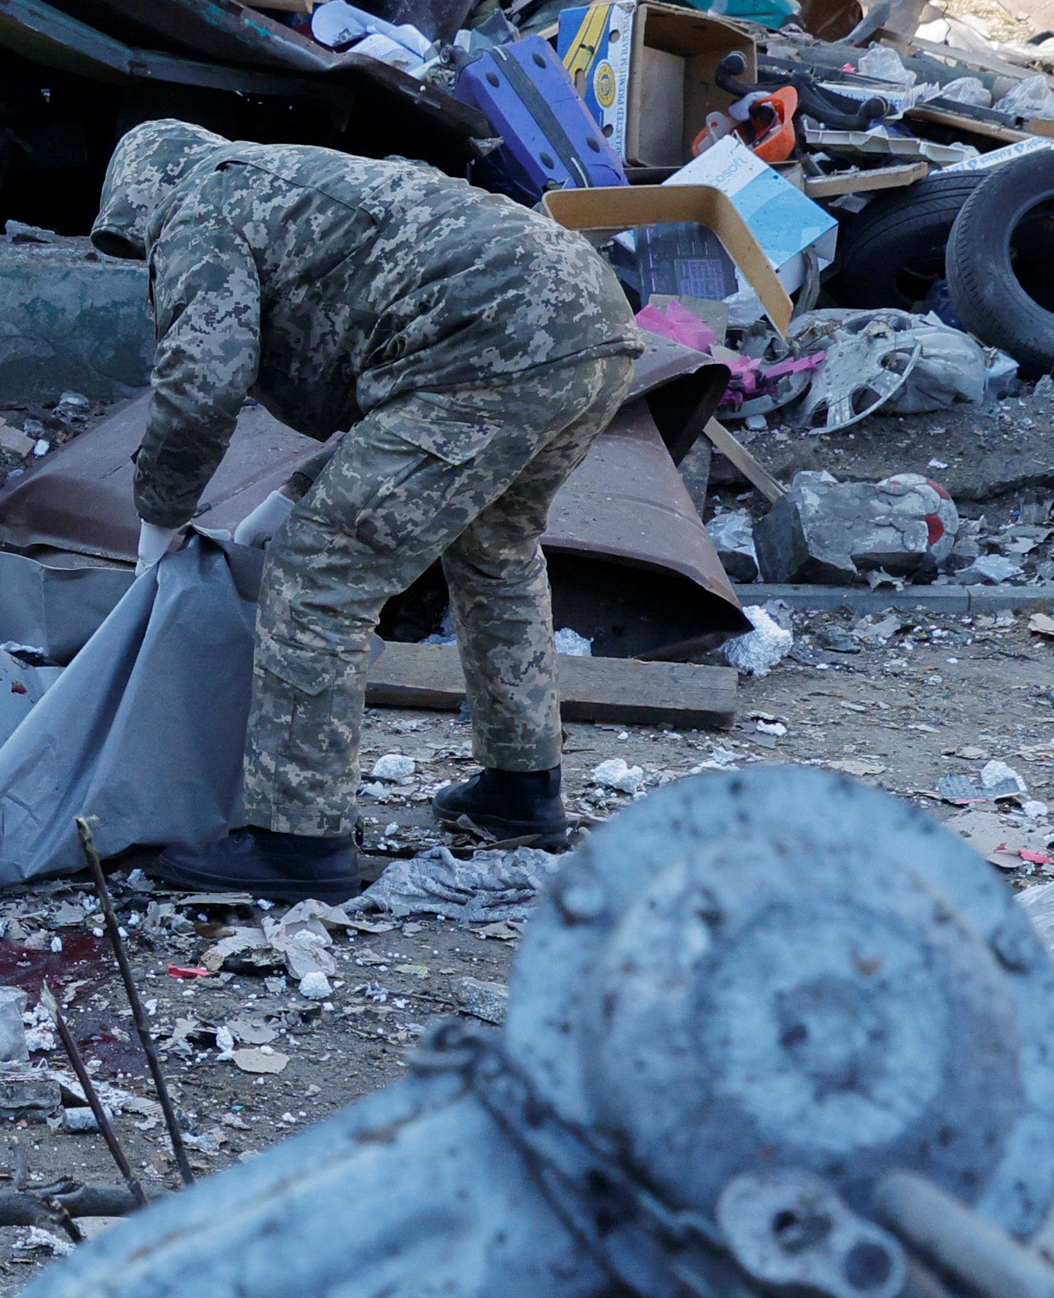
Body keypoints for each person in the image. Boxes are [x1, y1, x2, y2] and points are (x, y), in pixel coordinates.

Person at [90, 121, 644, 904]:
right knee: (497, 549)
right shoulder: (291, 178)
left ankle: (296, 845)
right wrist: (293, 493)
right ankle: (522, 790)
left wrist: (159, 518)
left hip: (491, 341)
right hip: (592, 322)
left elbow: (203, 380)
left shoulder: (198, 207)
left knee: (321, 574)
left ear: (137, 196)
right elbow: (393, 359)